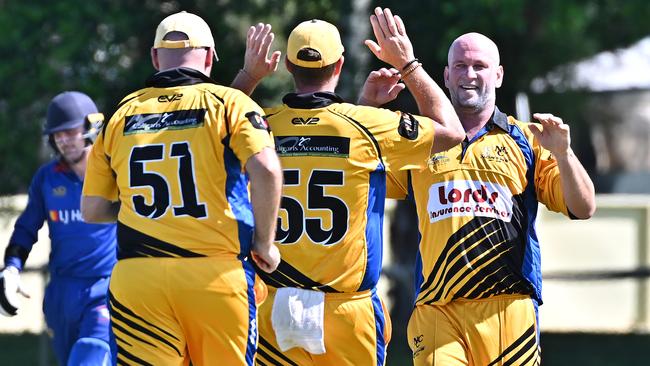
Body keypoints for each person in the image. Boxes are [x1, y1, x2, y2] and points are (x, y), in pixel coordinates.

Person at [231, 7, 463, 366]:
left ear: (289, 66)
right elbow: (451, 132)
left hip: (276, 301)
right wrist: (407, 64)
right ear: (339, 65)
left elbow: (213, 132)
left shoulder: (262, 124)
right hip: (347, 309)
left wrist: (248, 76)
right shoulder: (366, 125)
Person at [80, 11, 283, 365]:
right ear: (208, 57)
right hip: (214, 274)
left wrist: (134, 208)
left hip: (138, 278)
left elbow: (93, 210)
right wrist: (265, 242)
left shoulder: (119, 113)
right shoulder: (228, 103)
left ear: (156, 58)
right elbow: (265, 168)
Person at [391, 32, 596, 365]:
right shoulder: (419, 139)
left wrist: (564, 153)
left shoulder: (528, 139)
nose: (469, 75)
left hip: (509, 310)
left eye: (479, 66)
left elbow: (584, 206)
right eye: (460, 66)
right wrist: (368, 105)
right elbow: (362, 174)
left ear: (498, 75)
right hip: (437, 310)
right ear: (445, 75)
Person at [0, 91, 117, 365]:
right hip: (61, 295)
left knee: (90, 354)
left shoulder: (117, 173)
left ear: (92, 126)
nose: (63, 140)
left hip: (105, 288)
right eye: (57, 134)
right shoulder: (47, 178)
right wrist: (12, 267)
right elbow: (26, 228)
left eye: (70, 131)